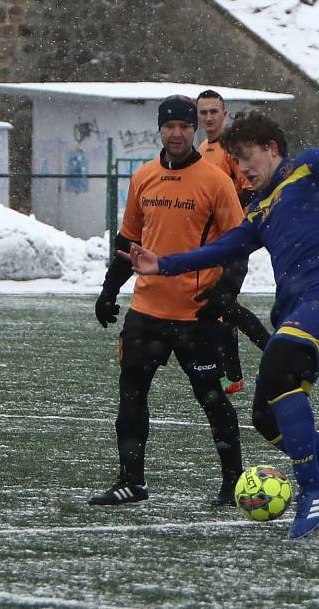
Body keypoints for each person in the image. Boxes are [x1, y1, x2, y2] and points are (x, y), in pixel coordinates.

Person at [121, 109, 319, 539]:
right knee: (265, 417)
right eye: (235, 162)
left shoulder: (309, 168)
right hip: (300, 312)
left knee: (277, 365)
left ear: (272, 150)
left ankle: (313, 487)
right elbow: (223, 247)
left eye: (247, 158)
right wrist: (162, 263)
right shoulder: (260, 210)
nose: (241, 169)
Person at [90, 95, 247, 507]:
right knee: (131, 394)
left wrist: (225, 294)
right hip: (147, 311)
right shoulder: (144, 176)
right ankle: (132, 482)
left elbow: (239, 246)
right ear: (159, 129)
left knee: (211, 398)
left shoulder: (216, 181)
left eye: (184, 126)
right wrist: (109, 289)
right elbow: (130, 241)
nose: (176, 133)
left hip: (196, 313)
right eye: (169, 126)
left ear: (194, 129)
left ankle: (234, 483)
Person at [196, 89, 270, 395]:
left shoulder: (231, 149)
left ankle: (272, 348)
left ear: (224, 115)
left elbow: (250, 189)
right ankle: (233, 376)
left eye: (214, 111)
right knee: (220, 307)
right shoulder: (202, 148)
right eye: (203, 112)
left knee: (221, 302)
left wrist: (226, 209)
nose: (209, 117)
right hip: (214, 243)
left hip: (235, 239)